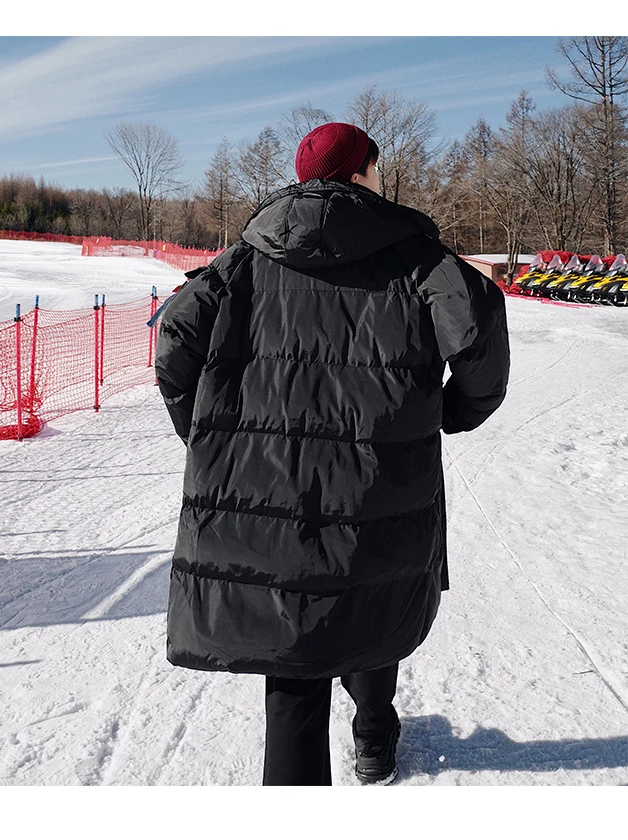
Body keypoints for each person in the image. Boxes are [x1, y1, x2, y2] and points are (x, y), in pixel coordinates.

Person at [154, 122, 510, 786]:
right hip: (378, 486)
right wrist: (454, 412)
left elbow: (174, 338)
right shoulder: (418, 260)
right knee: (368, 597)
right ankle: (374, 738)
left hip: (262, 495)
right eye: (376, 168)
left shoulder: (243, 259)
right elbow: (479, 322)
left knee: (291, 663)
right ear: (358, 174)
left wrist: (207, 438)